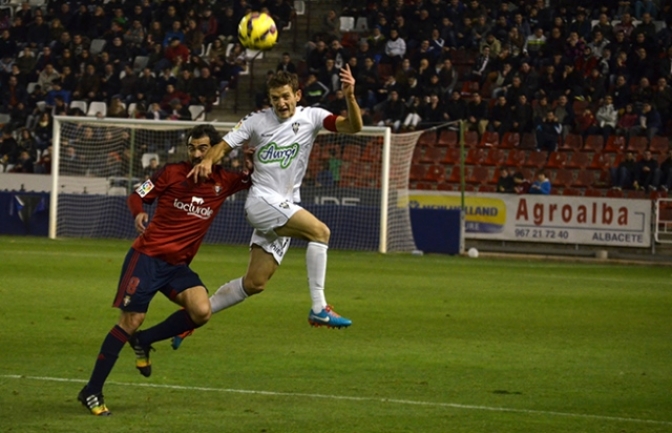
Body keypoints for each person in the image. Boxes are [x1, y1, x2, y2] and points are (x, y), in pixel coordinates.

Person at [77, 125, 253, 416]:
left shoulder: (226, 180)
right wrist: (140, 212)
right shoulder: (171, 173)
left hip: (176, 267)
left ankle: (144, 340)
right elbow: (137, 196)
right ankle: (91, 390)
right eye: (192, 148)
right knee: (131, 319)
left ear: (216, 150)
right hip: (146, 258)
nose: (196, 154)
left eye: (203, 148)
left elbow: (256, 179)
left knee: (201, 311)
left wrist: (253, 162)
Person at [184, 68, 363, 346]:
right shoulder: (257, 121)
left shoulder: (312, 117)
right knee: (320, 232)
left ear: (297, 95)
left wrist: (350, 97)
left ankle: (191, 318)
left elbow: (353, 127)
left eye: (285, 96)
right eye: (275, 98)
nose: (281, 103)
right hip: (262, 201)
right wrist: (209, 161)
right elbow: (224, 144)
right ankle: (319, 308)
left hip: (285, 205)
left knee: (255, 283)